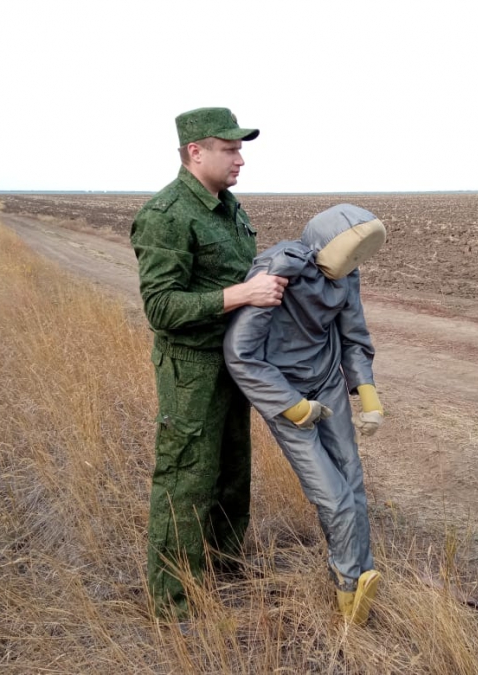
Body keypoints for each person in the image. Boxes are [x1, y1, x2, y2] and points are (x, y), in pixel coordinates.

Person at [130, 107, 288, 619]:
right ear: (195, 152)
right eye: (230, 148)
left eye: (241, 149)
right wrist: (242, 294)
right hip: (191, 370)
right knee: (185, 479)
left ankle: (223, 568)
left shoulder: (228, 207)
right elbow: (161, 307)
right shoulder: (168, 214)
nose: (240, 159)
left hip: (233, 365)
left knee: (230, 474)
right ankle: (175, 604)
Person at [223, 203, 386, 625]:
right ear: (321, 244)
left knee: (353, 479)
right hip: (285, 393)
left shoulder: (346, 276)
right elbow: (240, 353)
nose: (353, 263)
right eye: (348, 251)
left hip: (328, 380)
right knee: (334, 495)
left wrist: (368, 396)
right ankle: (348, 583)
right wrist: (293, 406)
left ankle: (360, 572)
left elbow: (354, 338)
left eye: (360, 256)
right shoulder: (280, 271)